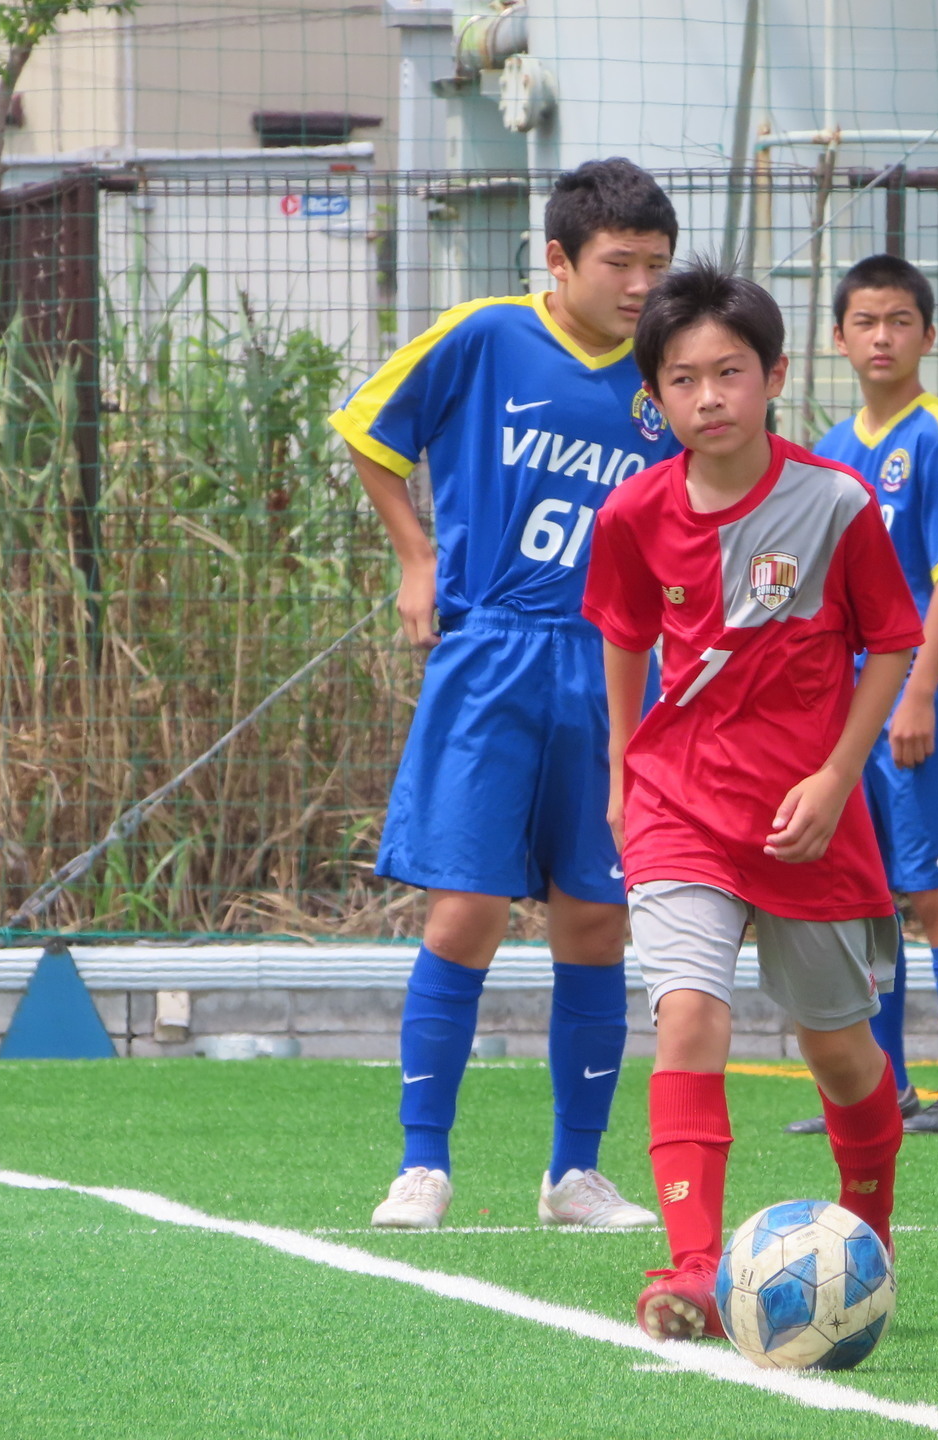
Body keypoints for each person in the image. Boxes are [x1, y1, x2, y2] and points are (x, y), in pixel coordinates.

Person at [329, 159, 683, 1232]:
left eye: (657, 268)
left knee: (595, 915)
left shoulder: (671, 369)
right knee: (467, 908)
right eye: (620, 264)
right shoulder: (487, 335)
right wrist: (415, 559)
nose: (638, 287)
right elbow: (368, 434)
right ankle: (422, 1165)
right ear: (560, 259)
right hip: (493, 655)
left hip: (619, 665)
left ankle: (575, 1175)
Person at [583, 260, 925, 1339]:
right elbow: (626, 639)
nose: (709, 398)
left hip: (806, 820)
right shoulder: (635, 515)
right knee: (687, 1018)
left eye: (730, 372)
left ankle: (863, 1235)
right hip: (680, 805)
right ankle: (692, 1268)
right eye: (683, 381)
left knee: (838, 1051)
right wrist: (622, 776)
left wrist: (835, 777)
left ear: (776, 375)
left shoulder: (835, 502)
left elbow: (893, 643)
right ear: (658, 399)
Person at [785, 253, 938, 1137]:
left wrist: (916, 694)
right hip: (848, 700)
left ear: (928, 334)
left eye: (901, 322)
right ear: (838, 338)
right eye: (866, 323)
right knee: (863, 891)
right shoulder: (833, 454)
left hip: (920, 693)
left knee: (934, 888)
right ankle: (886, 1085)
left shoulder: (936, 436)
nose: (883, 337)